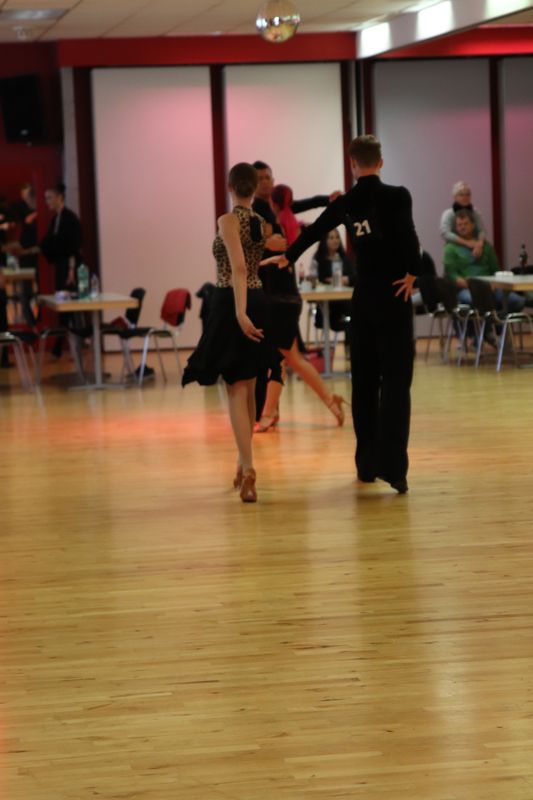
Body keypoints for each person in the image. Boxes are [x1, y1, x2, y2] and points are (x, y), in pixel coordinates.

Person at [262, 135, 421, 493]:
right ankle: (395, 469)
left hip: (363, 300)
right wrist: (413, 272)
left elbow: (317, 230)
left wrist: (288, 256)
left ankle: (366, 464)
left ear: (352, 164)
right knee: (396, 384)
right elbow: (409, 237)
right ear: (381, 162)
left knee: (364, 382)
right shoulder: (399, 196)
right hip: (395, 297)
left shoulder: (347, 202)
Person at [182, 162, 281, 504]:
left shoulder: (228, 220)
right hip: (258, 298)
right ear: (254, 187)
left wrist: (239, 313)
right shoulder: (260, 222)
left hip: (232, 302)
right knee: (249, 387)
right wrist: (263, 266)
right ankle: (241, 462)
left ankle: (249, 470)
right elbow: (248, 266)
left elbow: (237, 267)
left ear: (229, 187)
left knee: (237, 389)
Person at [254, 183, 346, 433]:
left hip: (280, 302)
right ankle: (326, 402)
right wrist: (328, 200)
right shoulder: (292, 226)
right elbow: (309, 205)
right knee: (287, 359)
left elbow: (257, 259)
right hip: (288, 300)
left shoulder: (274, 232)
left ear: (272, 204)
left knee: (285, 360)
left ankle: (270, 413)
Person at [443, 208, 525, 316]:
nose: (462, 227)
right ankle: (486, 324)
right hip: (467, 289)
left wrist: (494, 285)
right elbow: (452, 276)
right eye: (459, 225)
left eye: (466, 224)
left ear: (473, 225)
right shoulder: (450, 248)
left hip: (491, 287)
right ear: (456, 228)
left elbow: (496, 270)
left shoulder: (485, 246)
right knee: (476, 300)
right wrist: (478, 288)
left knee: (517, 301)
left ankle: (497, 322)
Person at [309, 228, 354, 348]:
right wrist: (329, 281)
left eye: (337, 237)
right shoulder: (318, 259)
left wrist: (346, 280)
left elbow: (354, 277)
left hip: (344, 302)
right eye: (331, 237)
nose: (335, 240)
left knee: (355, 313)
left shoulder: (344, 258)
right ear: (325, 240)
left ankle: (350, 349)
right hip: (326, 304)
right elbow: (317, 279)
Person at [440, 181, 486, 259]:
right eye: (461, 195)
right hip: (454, 250)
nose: (465, 197)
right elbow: (445, 233)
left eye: (468, 194)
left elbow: (481, 230)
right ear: (455, 197)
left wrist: (479, 244)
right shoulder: (448, 214)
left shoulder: (475, 212)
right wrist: (467, 243)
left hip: (475, 249)